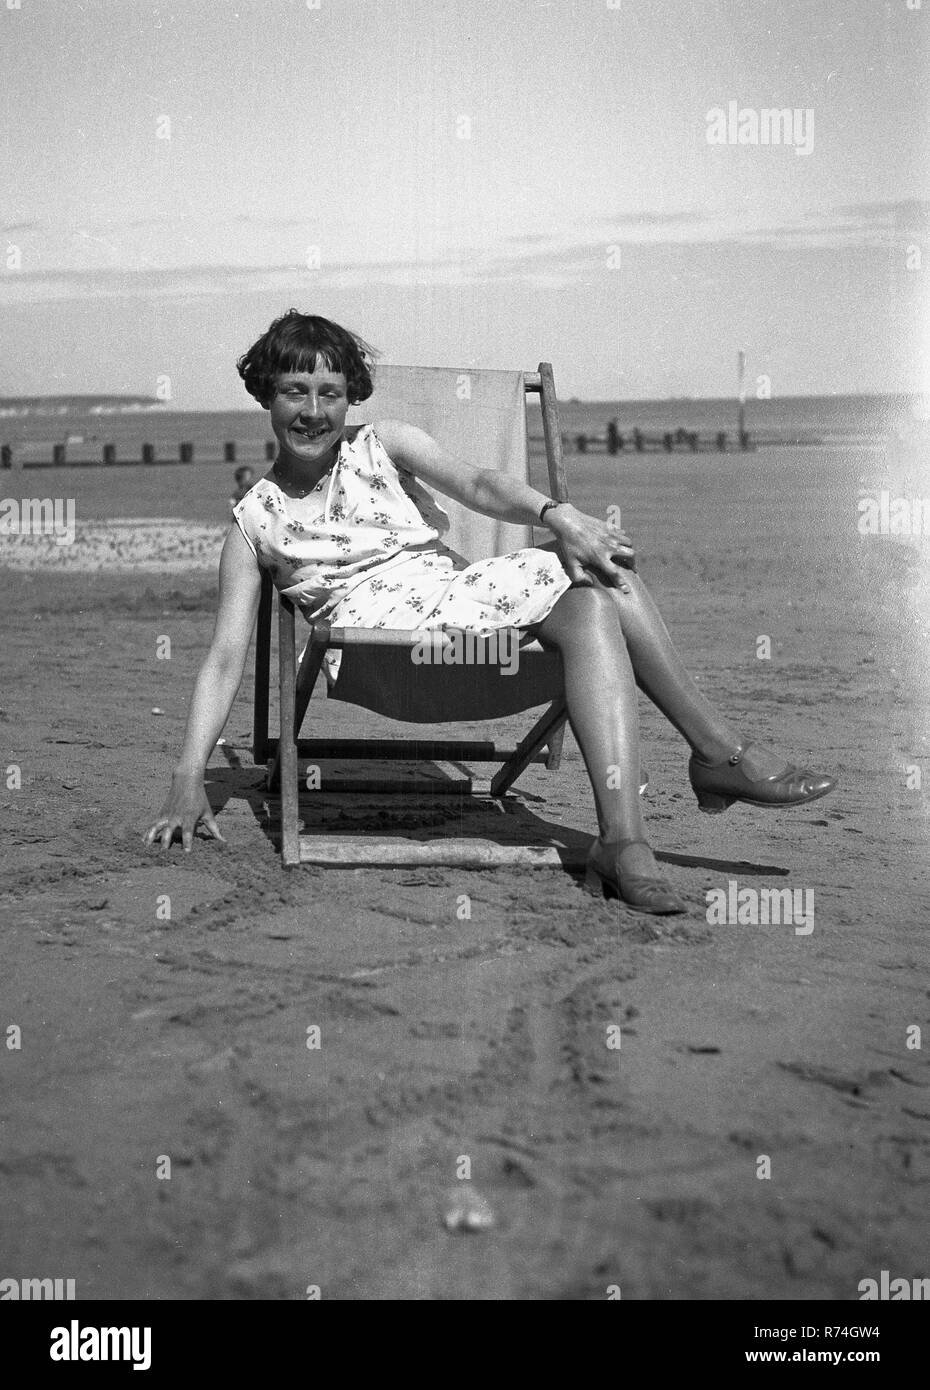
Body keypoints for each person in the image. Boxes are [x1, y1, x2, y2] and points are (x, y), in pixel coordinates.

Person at [144, 311, 836, 914]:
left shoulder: (384, 444)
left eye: (330, 392)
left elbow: (478, 484)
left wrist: (558, 515)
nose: (313, 410)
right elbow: (226, 658)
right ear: (265, 394)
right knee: (594, 582)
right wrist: (186, 781)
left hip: (466, 613)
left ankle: (626, 841)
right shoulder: (253, 523)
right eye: (295, 391)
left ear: (351, 398)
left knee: (597, 579)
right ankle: (718, 757)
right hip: (378, 656)